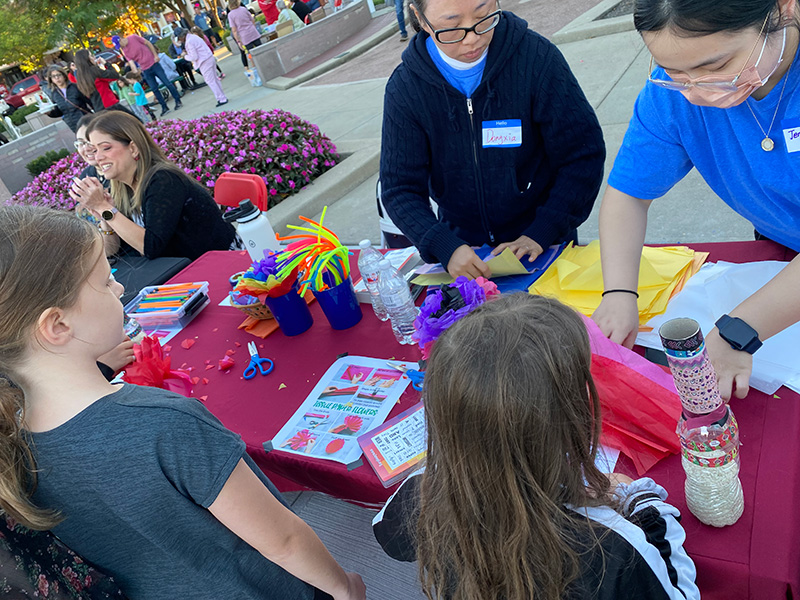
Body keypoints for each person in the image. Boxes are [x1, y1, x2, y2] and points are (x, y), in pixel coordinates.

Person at [0, 204, 368, 600]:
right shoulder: (166, 423)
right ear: (57, 326)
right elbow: (284, 540)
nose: (120, 288)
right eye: (107, 281)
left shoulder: (14, 440)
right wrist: (344, 588)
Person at [372, 293, 699, 600]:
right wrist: (641, 501)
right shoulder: (611, 544)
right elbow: (679, 592)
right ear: (567, 418)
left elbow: (385, 533)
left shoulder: (424, 494)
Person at [591, 0, 800, 402]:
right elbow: (629, 195)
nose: (698, 92)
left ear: (783, 9)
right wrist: (619, 293)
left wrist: (740, 329)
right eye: (674, 73)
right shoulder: (673, 95)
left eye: (717, 66)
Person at [379, 0, 605, 280]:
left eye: (484, 16)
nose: (473, 38)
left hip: (545, 246)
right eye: (451, 27)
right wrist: (443, 245)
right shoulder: (406, 88)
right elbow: (399, 188)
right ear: (420, 18)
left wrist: (543, 231)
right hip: (464, 255)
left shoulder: (536, 58)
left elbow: (582, 154)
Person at [68, 111, 236, 261]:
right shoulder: (122, 186)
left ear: (133, 148)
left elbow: (150, 247)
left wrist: (105, 208)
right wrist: (102, 215)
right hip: (185, 267)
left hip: (224, 263)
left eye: (105, 148)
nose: (98, 157)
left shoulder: (163, 179)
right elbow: (112, 250)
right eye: (94, 150)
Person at [114, 33, 183, 117]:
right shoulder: (125, 51)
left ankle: (178, 100)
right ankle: (164, 106)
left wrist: (155, 55)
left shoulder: (133, 38)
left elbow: (148, 43)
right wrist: (135, 71)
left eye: (119, 44)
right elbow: (131, 63)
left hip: (154, 63)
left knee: (166, 82)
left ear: (121, 39)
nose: (121, 47)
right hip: (145, 69)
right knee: (154, 88)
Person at [176, 28, 229, 107]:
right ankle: (222, 96)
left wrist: (185, 56)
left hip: (203, 62)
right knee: (215, 79)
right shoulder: (193, 37)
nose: (180, 40)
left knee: (211, 81)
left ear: (182, 36)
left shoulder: (189, 42)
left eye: (179, 38)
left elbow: (194, 57)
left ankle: (221, 98)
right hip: (209, 58)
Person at [73, 49, 126, 113]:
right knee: (134, 120)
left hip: (98, 108)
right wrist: (106, 63)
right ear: (87, 59)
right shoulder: (94, 71)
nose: (94, 57)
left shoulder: (80, 76)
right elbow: (115, 75)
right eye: (91, 56)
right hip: (110, 104)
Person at [44, 65, 92, 133]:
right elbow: (60, 111)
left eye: (59, 75)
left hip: (85, 120)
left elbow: (89, 101)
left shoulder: (75, 87)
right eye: (54, 76)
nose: (57, 78)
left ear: (64, 76)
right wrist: (49, 113)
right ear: (51, 79)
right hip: (72, 125)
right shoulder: (54, 94)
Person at [228, 0, 264, 68]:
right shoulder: (243, 9)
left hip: (244, 36)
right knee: (261, 48)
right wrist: (252, 27)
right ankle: (266, 62)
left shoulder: (230, 15)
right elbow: (252, 20)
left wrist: (238, 41)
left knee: (250, 54)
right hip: (253, 32)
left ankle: (256, 67)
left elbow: (234, 30)